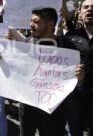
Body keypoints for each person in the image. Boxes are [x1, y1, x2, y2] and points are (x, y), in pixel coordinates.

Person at [6, 7, 84, 136]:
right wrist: (3, 56)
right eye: (31, 21)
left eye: (36, 22)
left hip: (53, 110)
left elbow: (74, 80)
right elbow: (15, 68)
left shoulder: (66, 46)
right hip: (27, 106)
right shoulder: (27, 43)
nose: (31, 25)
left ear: (50, 24)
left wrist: (79, 77)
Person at [65, 0, 93, 136]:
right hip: (74, 96)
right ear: (80, 12)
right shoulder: (71, 36)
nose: (90, 10)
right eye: (86, 7)